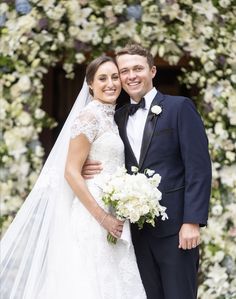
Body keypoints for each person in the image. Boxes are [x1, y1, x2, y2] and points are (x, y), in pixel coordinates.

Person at [0, 56, 146, 299]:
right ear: (90, 84)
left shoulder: (112, 116)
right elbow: (70, 171)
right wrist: (103, 218)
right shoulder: (88, 117)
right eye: (102, 78)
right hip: (94, 216)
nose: (110, 83)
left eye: (114, 77)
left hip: (113, 212)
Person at [83, 44, 212, 299]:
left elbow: (198, 168)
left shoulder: (179, 108)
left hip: (176, 231)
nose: (131, 76)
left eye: (138, 69)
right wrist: (87, 166)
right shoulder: (116, 118)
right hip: (135, 235)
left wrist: (192, 221)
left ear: (152, 71)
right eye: (124, 71)